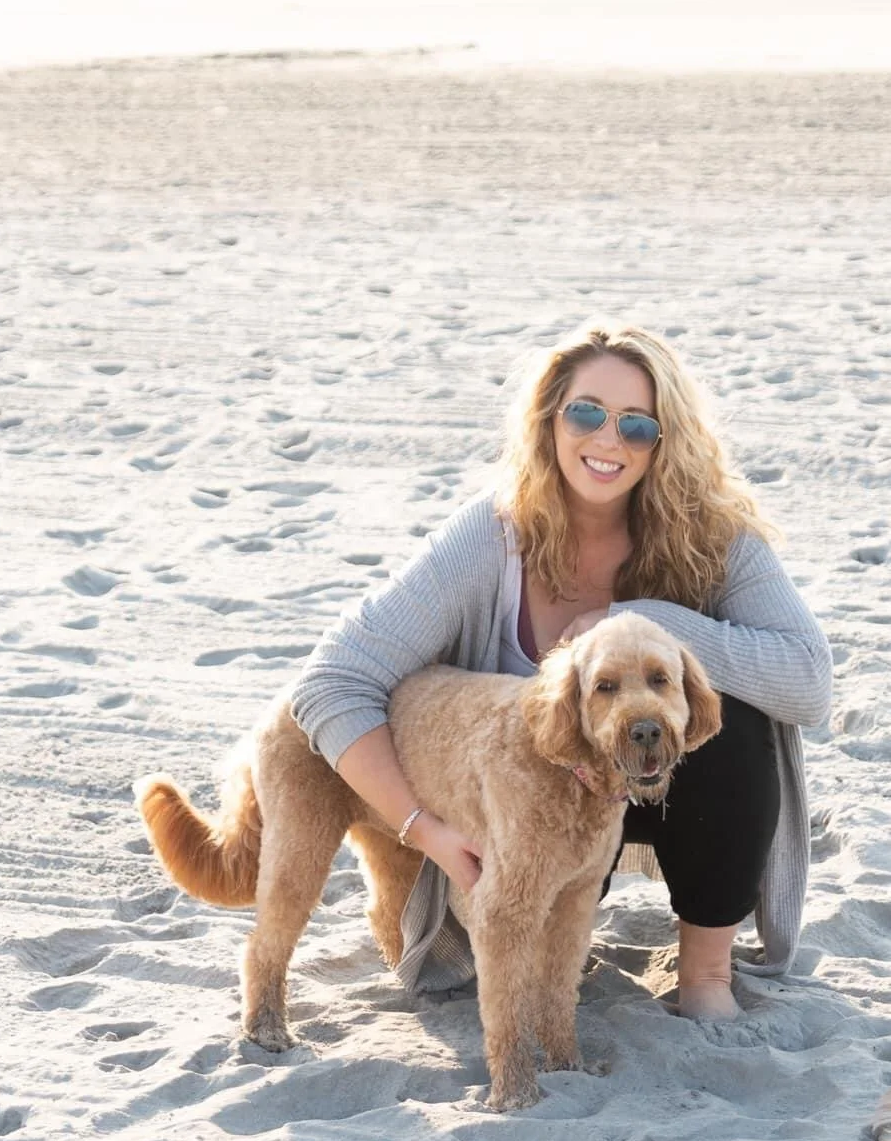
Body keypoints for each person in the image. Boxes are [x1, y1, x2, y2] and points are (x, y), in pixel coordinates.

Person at [291, 322, 831, 1019]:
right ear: (549, 419)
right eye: (586, 413)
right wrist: (423, 828)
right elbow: (332, 681)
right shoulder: (491, 536)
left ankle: (706, 975)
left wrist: (642, 623)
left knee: (735, 721)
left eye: (636, 426)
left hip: (674, 792)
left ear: (666, 441)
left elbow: (810, 682)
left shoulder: (713, 539)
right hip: (532, 823)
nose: (608, 441)